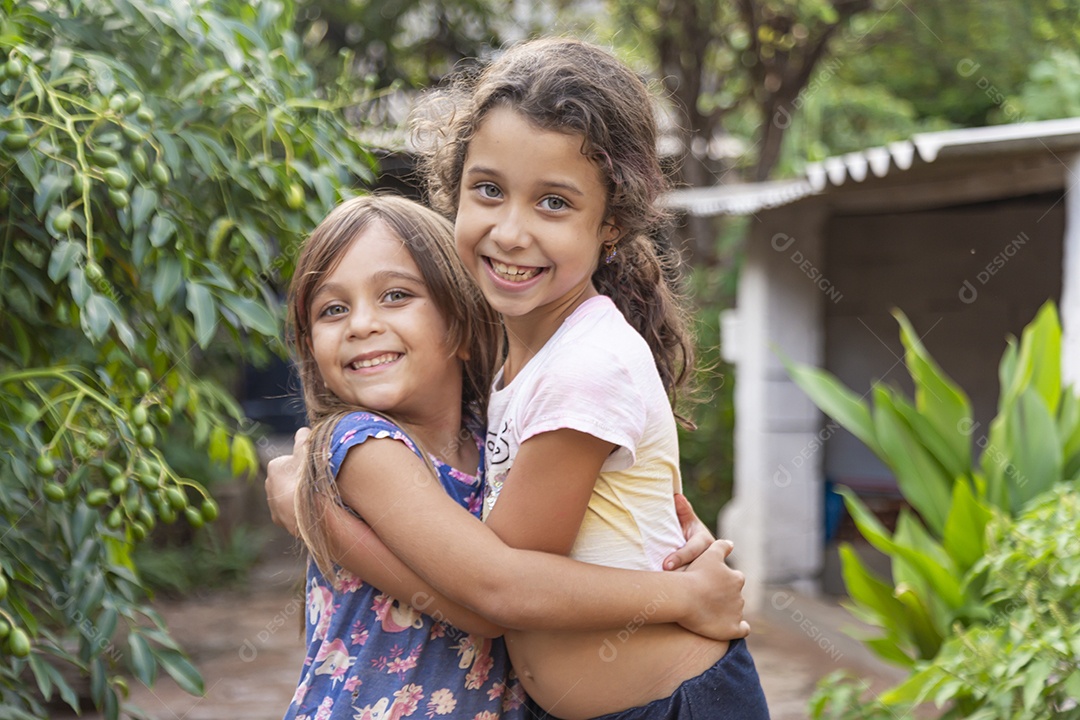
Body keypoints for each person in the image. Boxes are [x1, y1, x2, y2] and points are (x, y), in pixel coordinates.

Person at [276, 193, 750, 720]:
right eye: (332, 309)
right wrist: (682, 595)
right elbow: (488, 606)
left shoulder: (491, 439)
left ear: (459, 324)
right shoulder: (359, 444)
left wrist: (683, 544)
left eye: (395, 295)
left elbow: (591, 529)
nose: (360, 324)